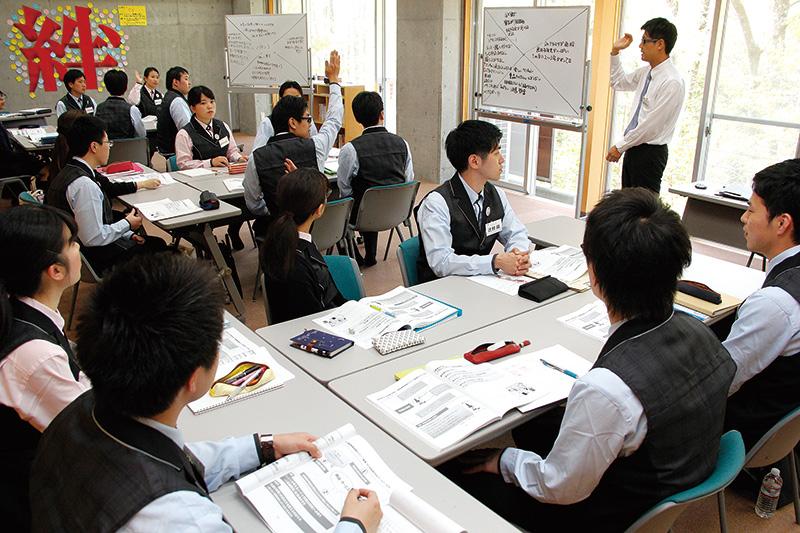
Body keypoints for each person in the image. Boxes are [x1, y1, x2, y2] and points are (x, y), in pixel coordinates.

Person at [445, 188, 736, 532]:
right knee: (535, 422)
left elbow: (559, 488)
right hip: (674, 471)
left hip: (605, 511)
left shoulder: (606, 389)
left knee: (454, 478)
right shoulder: (702, 331)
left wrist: (503, 459)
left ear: (594, 275)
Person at [29, 253, 382, 532]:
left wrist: (262, 447)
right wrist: (354, 525)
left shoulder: (84, 410)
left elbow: (175, 457)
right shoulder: (181, 518)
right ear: (194, 379)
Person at [0, 204, 91, 531]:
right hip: (38, 501)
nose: (79, 248)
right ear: (55, 270)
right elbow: (95, 433)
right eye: (72, 243)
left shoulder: (20, 311)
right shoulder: (36, 355)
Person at [722, 159, 800, 503]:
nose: (743, 218)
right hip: (783, 415)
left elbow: (721, 382)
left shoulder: (776, 304)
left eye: (751, 209)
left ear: (782, 223)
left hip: (749, 428)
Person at [45, 115, 166, 273]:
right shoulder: (84, 185)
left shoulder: (69, 171)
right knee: (159, 248)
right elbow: (93, 237)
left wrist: (127, 234)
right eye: (108, 143)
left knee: (151, 243)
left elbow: (92, 225)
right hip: (96, 258)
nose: (110, 147)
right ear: (94, 146)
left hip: (77, 250)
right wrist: (127, 224)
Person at [415, 119, 530, 282]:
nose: (502, 159)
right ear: (474, 161)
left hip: (479, 281)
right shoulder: (437, 203)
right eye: (496, 153)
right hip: (444, 287)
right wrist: (494, 261)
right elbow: (441, 262)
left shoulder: (496, 195)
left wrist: (518, 255)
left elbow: (516, 232)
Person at [244, 50, 343, 237]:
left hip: (276, 234)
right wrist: (334, 81)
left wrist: (275, 213)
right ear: (293, 122)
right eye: (307, 119)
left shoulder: (256, 158)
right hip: (313, 231)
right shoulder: (315, 147)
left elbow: (253, 203)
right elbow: (334, 119)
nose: (309, 123)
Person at [606, 17, 685, 193]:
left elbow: (651, 126)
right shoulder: (647, 72)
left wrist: (620, 146)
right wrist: (615, 52)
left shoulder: (672, 82)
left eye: (644, 41)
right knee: (628, 203)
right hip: (633, 147)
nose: (640, 46)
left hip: (650, 153)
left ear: (660, 44)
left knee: (643, 206)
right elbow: (618, 83)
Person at [337, 91, 414, 267]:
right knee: (369, 198)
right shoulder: (402, 143)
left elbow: (344, 190)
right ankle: (370, 254)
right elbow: (409, 180)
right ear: (382, 114)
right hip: (397, 213)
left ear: (357, 118)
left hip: (364, 217)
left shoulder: (350, 149)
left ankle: (354, 258)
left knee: (347, 203)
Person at [263, 167, 346, 323]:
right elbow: (314, 317)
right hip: (318, 326)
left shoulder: (278, 240)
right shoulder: (297, 263)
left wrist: (301, 186)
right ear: (319, 210)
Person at [175, 85, 249, 249]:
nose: (210, 106)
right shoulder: (185, 133)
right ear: (193, 108)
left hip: (226, 180)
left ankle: (234, 230)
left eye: (212, 102)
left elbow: (232, 151)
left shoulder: (222, 126)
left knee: (245, 202)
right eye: (203, 103)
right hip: (200, 186)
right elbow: (183, 164)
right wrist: (210, 162)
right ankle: (211, 242)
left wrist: (238, 158)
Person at [251, 79, 318, 152]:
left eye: (297, 98)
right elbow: (257, 153)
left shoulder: (306, 119)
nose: (293, 101)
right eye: (288, 98)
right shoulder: (268, 122)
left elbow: (316, 145)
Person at [0, 89, 46, 185]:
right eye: (0, 99)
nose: (3, 101)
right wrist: (28, 155)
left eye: (3, 98)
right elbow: (7, 154)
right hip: (6, 166)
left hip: (7, 161)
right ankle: (41, 189)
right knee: (45, 165)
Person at [95, 69, 146, 140]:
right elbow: (142, 134)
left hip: (107, 146)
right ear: (125, 87)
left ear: (107, 87)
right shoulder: (132, 109)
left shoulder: (99, 108)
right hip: (128, 146)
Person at [156, 66, 192, 154]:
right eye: (186, 79)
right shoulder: (177, 101)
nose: (189, 83)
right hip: (176, 153)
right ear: (175, 82)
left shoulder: (169, 96)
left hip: (168, 150)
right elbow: (188, 130)